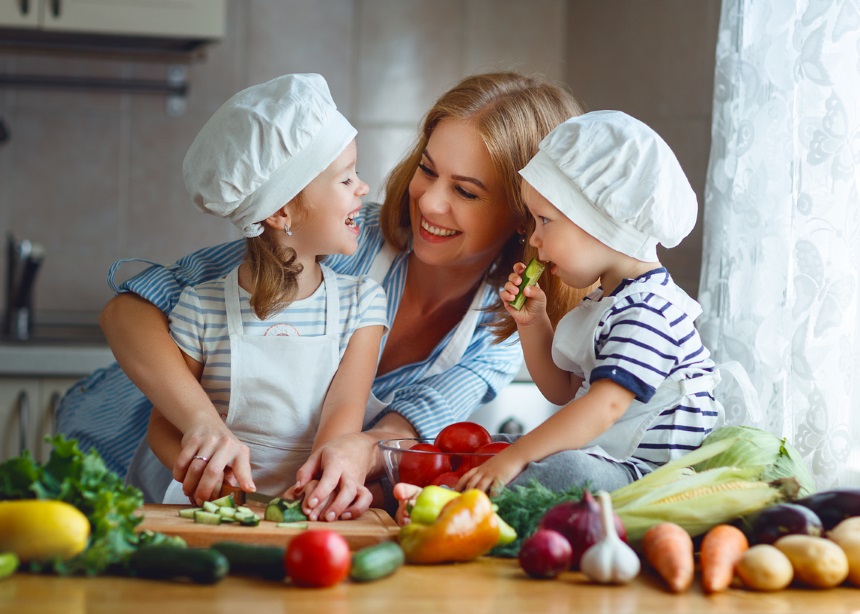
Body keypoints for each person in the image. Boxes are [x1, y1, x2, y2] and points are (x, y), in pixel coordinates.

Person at [56, 71, 589, 521]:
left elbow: (415, 417)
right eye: (427, 170)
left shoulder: (505, 323)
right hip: (127, 447)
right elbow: (129, 310)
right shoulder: (343, 235)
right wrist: (201, 424)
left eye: (465, 191)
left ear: (525, 212)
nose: (429, 201)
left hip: (256, 503)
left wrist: (358, 452)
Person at [457, 111, 726, 495]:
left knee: (563, 470)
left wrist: (517, 455)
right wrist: (533, 324)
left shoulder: (648, 311)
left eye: (544, 221)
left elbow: (605, 407)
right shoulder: (609, 301)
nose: (534, 239)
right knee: (540, 460)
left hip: (654, 478)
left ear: (602, 221)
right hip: (618, 464)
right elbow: (565, 392)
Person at [148, 74, 387, 505]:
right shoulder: (201, 307)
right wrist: (208, 483)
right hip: (210, 511)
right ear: (281, 211)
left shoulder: (362, 304)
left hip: (308, 507)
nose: (363, 188)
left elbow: (342, 414)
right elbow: (163, 428)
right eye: (346, 179)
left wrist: (316, 490)